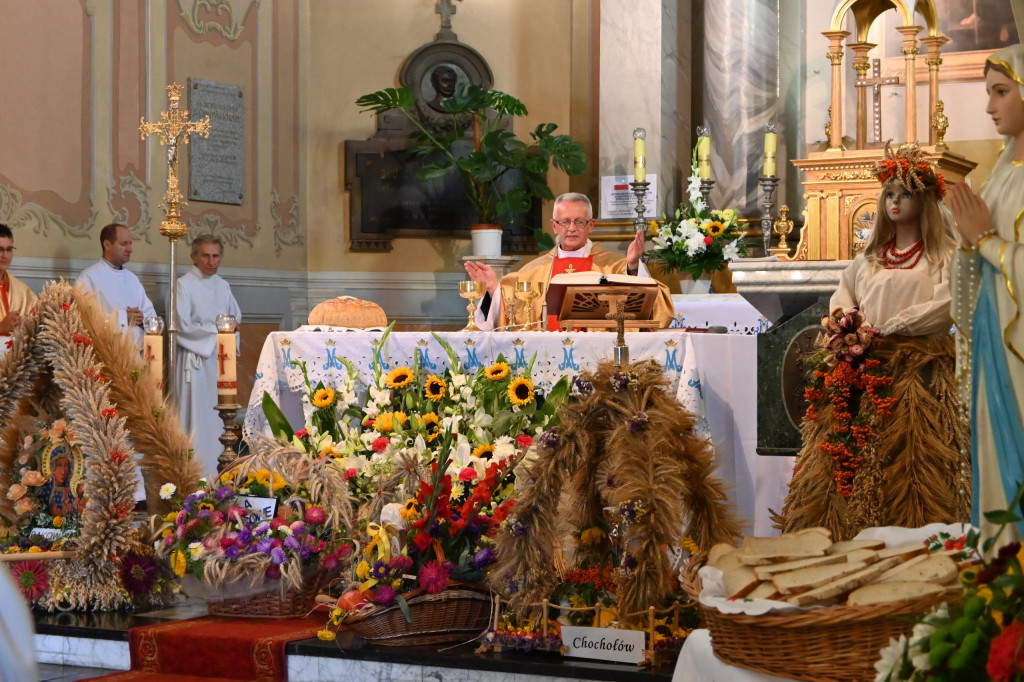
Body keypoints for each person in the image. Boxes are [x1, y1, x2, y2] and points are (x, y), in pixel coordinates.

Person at [777, 142, 968, 540]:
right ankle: (842, 538)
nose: (895, 202)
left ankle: (916, 539)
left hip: (920, 371)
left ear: (926, 200)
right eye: (890, 195)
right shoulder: (871, 258)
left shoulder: (943, 256)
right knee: (851, 457)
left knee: (913, 462)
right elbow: (842, 296)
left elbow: (948, 303)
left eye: (906, 194)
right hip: (866, 369)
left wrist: (899, 324)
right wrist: (845, 324)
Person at [948, 43, 1024, 541]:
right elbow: (974, 246)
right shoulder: (1001, 170)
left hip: (1016, 347)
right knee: (994, 454)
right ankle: (1002, 562)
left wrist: (985, 240)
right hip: (992, 330)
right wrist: (966, 241)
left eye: (1001, 91)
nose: (990, 105)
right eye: (989, 93)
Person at [464, 192, 674, 331]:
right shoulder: (534, 270)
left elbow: (653, 303)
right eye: (565, 222)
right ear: (554, 226)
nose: (571, 228)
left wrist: (633, 267)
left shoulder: (613, 266)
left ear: (591, 225)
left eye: (579, 222)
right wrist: (493, 289)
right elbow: (508, 311)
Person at [175, 235, 241, 476]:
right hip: (195, 361)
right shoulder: (183, 285)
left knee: (218, 418)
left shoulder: (222, 285)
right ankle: (195, 474)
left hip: (219, 361)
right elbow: (181, 326)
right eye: (206, 255)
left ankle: (220, 471)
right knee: (197, 418)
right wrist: (217, 330)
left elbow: (235, 319)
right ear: (194, 256)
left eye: (216, 256)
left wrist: (228, 331)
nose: (212, 261)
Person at [76, 223, 156, 348]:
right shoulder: (88, 278)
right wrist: (124, 318)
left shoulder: (132, 279)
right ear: (107, 244)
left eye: (130, 243)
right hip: (106, 354)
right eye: (124, 244)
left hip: (136, 355)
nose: (130, 249)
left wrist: (141, 319)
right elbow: (85, 321)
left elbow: (151, 317)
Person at [0, 223, 37, 345]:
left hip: (17, 361)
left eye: (9, 249)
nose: (5, 255)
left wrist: (25, 326)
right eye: (0, 249)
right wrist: (1, 327)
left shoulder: (21, 290)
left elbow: (38, 326)